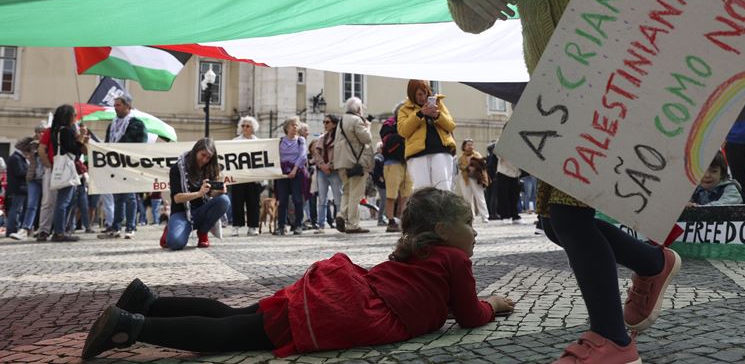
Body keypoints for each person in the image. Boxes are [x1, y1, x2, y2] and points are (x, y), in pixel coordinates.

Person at [448, 0, 681, 362]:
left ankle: (614, 339)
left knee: (572, 220)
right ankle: (654, 263)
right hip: (550, 94)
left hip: (611, 82)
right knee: (555, 222)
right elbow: (474, 19)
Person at [82, 188, 515, 359]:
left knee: (236, 316)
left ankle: (149, 302)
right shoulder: (454, 260)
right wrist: (493, 304)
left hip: (339, 291)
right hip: (346, 310)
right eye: (469, 223)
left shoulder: (415, 253)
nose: (475, 232)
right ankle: (131, 327)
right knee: (234, 336)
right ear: (442, 230)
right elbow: (470, 314)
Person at [161, 138, 230, 250]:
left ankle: (203, 232)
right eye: (203, 155)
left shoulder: (210, 168)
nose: (204, 160)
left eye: (208, 157)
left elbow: (210, 194)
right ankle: (170, 228)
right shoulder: (177, 168)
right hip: (181, 212)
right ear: (195, 151)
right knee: (175, 244)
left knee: (224, 200)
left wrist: (219, 191)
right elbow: (177, 198)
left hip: (201, 211)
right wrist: (198, 193)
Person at [98, 94, 148, 239]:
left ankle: (131, 227)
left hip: (129, 165)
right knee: (117, 196)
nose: (115, 108)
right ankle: (116, 226)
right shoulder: (112, 125)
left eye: (118, 105)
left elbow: (142, 145)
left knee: (130, 196)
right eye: (114, 105)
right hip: (115, 165)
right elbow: (108, 143)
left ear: (127, 106)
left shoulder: (136, 124)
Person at [397, 80, 456, 191]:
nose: (423, 97)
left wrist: (438, 115)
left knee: (443, 189)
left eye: (425, 93)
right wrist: (419, 114)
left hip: (441, 150)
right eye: (419, 94)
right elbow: (403, 131)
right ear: (412, 94)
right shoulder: (404, 109)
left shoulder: (438, 103)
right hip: (417, 154)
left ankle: (443, 209)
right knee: (422, 192)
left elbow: (451, 125)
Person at [46, 104, 89, 242]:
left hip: (61, 166)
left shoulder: (56, 130)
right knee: (64, 201)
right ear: (68, 116)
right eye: (74, 115)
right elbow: (73, 149)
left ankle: (61, 229)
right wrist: (81, 137)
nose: (76, 118)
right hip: (67, 167)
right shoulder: (66, 131)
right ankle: (59, 232)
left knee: (64, 201)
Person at [333, 97, 374, 234]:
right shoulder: (357, 121)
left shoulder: (340, 121)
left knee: (347, 191)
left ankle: (341, 214)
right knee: (355, 194)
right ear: (357, 109)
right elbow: (366, 139)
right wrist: (368, 126)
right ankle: (352, 224)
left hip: (341, 162)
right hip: (355, 162)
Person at [380, 105, 411, 233]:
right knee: (391, 195)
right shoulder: (389, 124)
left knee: (406, 194)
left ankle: (403, 220)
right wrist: (403, 134)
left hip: (408, 161)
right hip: (392, 162)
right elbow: (387, 141)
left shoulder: (410, 122)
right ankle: (391, 221)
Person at [274, 116, 308, 235]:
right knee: (282, 201)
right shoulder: (280, 141)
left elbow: (303, 156)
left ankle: (298, 225)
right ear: (286, 127)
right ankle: (281, 226)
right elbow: (274, 157)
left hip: (296, 173)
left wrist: (294, 170)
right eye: (292, 125)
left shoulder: (300, 140)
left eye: (296, 125)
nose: (295, 127)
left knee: (297, 200)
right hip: (282, 175)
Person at [230, 116, 262, 236]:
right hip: (239, 176)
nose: (245, 128)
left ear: (253, 128)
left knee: (253, 202)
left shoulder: (259, 143)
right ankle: (236, 226)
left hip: (253, 176)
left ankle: (253, 226)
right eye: (243, 125)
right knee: (237, 202)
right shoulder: (235, 141)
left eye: (247, 126)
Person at [313, 114, 341, 230]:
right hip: (322, 171)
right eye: (324, 122)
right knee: (322, 199)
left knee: (338, 197)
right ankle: (321, 224)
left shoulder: (339, 139)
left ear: (334, 124)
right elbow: (316, 154)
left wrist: (330, 165)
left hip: (334, 171)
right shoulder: (322, 138)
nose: (325, 124)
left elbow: (340, 155)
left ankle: (341, 221)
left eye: (327, 122)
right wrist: (323, 166)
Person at [5, 137, 33, 238]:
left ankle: (14, 228)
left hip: (20, 187)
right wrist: (30, 171)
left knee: (17, 209)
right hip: (18, 187)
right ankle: (12, 229)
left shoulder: (18, 157)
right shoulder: (16, 158)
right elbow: (19, 172)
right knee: (16, 209)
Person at [457, 139, 490, 223]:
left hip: (476, 178)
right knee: (467, 199)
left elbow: (483, 165)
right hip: (465, 178)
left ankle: (485, 216)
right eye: (468, 145)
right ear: (464, 146)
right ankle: (471, 216)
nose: (470, 146)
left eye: (471, 144)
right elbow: (460, 166)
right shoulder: (461, 157)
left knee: (479, 197)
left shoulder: (477, 155)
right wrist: (467, 167)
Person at [494, 155, 524, 225]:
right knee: (503, 196)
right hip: (503, 172)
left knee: (515, 196)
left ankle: (515, 216)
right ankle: (505, 216)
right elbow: (497, 153)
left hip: (516, 173)